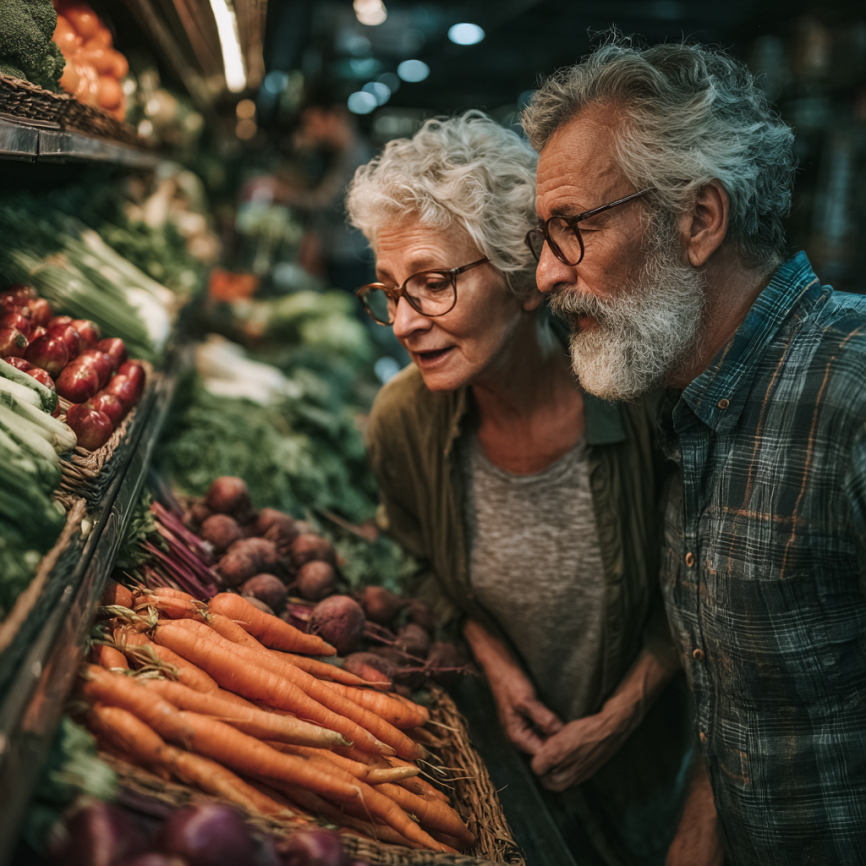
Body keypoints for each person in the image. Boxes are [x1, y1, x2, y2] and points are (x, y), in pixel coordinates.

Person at [523, 34, 866, 866]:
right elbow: (754, 697)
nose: (542, 275)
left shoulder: (852, 395)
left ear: (699, 220)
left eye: (571, 230)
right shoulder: (684, 393)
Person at [346, 110, 691, 865]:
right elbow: (420, 567)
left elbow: (701, 591)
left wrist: (622, 715)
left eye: (433, 283)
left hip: (659, 781)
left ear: (525, 276)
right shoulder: (403, 421)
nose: (403, 323)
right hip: (507, 778)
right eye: (389, 291)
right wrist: (492, 661)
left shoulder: (640, 400)